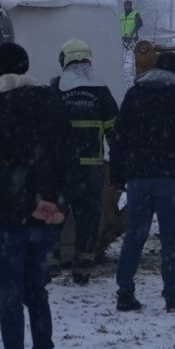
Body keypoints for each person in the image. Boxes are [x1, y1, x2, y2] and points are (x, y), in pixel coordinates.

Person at [0, 41, 73, 349]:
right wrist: (54, 202)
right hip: (46, 216)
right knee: (37, 290)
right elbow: (65, 156)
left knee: (8, 294)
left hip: (7, 217)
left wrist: (25, 202)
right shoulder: (52, 101)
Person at [109, 49, 175, 312]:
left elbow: (119, 134)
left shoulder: (135, 93)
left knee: (135, 235)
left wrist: (118, 173)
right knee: (171, 239)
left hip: (138, 177)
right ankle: (173, 297)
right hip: (172, 177)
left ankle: (125, 293)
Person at [54, 38, 118, 282]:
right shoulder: (101, 91)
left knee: (55, 214)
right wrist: (120, 165)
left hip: (60, 169)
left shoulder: (57, 87)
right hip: (91, 169)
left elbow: (45, 129)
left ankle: (51, 263)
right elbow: (115, 132)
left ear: (65, 59)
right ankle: (83, 267)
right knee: (88, 219)